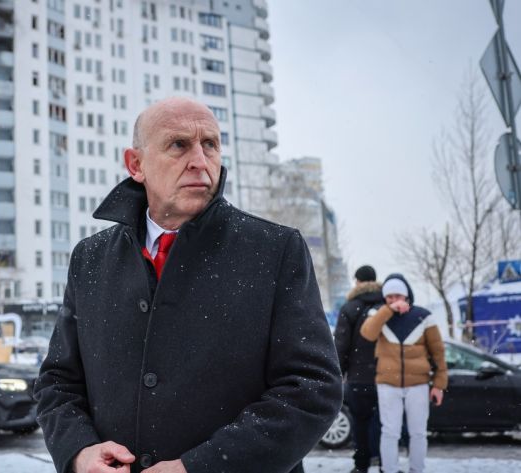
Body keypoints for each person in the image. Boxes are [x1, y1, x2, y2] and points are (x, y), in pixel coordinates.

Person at [34, 97, 343, 473]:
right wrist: (80, 452)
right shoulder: (91, 259)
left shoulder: (275, 250)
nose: (200, 160)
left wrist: (199, 467)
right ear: (136, 164)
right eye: (178, 144)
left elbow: (312, 388)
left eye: (209, 144)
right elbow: (58, 382)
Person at [360, 274, 447, 473]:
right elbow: (367, 333)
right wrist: (388, 310)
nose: (394, 300)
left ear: (406, 296)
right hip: (387, 383)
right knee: (390, 431)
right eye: (389, 297)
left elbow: (438, 352)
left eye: (397, 296)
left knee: (418, 432)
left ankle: (417, 469)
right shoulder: (378, 314)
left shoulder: (424, 316)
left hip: (418, 384)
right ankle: (389, 470)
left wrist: (439, 385)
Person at [333, 265, 384, 473]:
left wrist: (339, 372)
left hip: (359, 377)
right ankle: (385, 462)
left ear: (358, 281)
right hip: (386, 375)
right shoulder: (386, 306)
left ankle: (361, 464)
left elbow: (341, 345)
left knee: (360, 422)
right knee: (385, 423)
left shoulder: (350, 307)